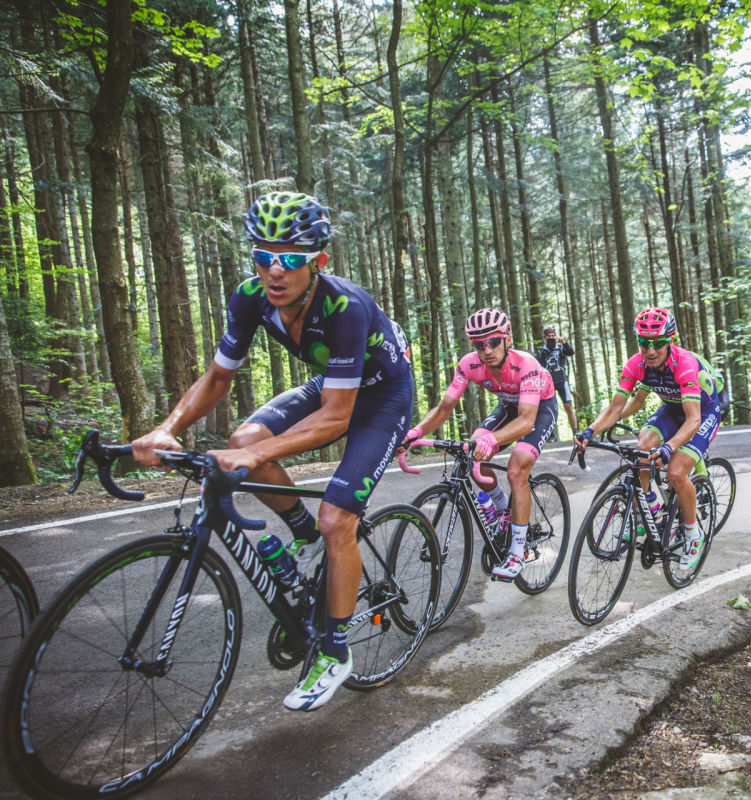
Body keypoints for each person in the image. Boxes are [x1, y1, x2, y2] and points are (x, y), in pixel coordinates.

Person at [132, 191, 415, 712]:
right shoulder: (250, 297)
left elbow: (336, 417)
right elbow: (218, 377)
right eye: (263, 257)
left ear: (318, 262)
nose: (274, 271)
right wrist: (166, 429)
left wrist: (249, 460)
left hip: (383, 396)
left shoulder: (345, 307)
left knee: (337, 519)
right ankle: (304, 537)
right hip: (333, 383)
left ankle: (335, 652)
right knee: (244, 441)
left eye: (289, 259)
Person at [401, 308, 557, 580]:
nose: (486, 350)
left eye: (493, 342)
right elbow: (444, 408)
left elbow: (526, 421)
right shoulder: (469, 365)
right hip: (509, 405)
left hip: (539, 408)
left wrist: (491, 439)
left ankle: (517, 552)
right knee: (471, 453)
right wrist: (415, 432)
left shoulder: (526, 365)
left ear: (507, 338)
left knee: (517, 469)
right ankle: (502, 509)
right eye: (478, 344)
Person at [574, 307, 722, 568]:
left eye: (658, 343)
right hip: (672, 408)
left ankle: (693, 534)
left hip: (702, 412)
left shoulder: (684, 364)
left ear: (670, 340)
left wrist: (669, 447)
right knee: (641, 448)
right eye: (644, 343)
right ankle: (651, 509)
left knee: (676, 472)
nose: (651, 350)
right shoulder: (636, 364)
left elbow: (693, 419)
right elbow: (616, 408)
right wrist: (590, 430)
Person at [535, 325, 578, 432]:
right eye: (548, 336)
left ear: (556, 336)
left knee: (568, 407)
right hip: (548, 383)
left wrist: (564, 343)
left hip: (562, 381)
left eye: (553, 335)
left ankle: (575, 433)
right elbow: (538, 368)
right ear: (545, 337)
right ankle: (551, 434)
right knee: (549, 409)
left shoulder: (561, 348)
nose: (551, 337)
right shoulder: (541, 352)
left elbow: (571, 352)